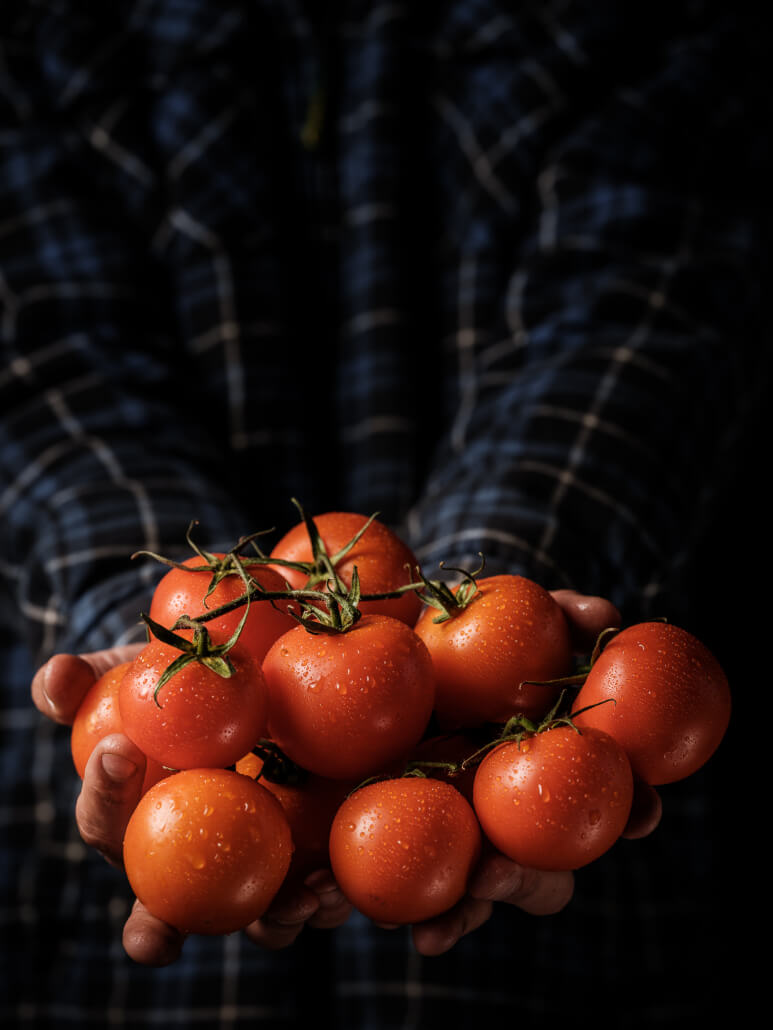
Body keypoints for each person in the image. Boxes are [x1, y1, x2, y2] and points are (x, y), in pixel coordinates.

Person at [1, 1, 767, 1026]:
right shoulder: (51, 38)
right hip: (105, 937)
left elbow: (640, 307)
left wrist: (504, 589)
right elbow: (44, 361)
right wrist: (142, 620)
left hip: (544, 948)